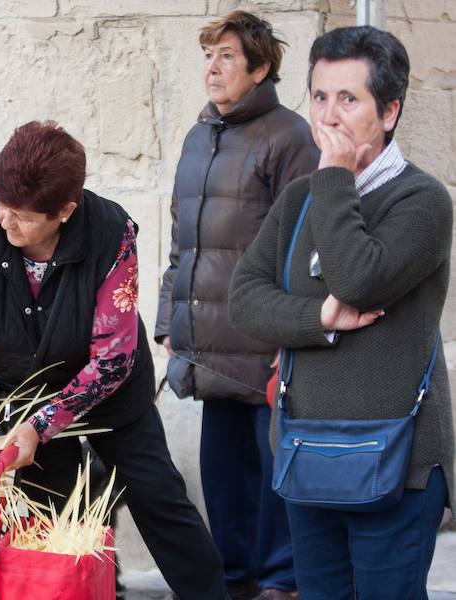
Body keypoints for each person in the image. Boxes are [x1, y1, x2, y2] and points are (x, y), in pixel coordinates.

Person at [0, 121, 228, 599]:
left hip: (108, 394)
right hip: (19, 399)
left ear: (65, 212)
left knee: (158, 496)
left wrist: (44, 424)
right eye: (1, 206)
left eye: (23, 216)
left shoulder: (111, 237)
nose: (5, 222)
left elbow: (112, 360)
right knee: (50, 522)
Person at [228, 26, 454, 599]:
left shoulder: (422, 201)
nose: (328, 116)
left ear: (391, 110)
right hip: (309, 457)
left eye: (348, 99)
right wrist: (320, 319)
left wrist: (333, 176)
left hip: (396, 465)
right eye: (320, 96)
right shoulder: (300, 199)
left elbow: (358, 277)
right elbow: (245, 300)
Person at [154, 11, 318, 600]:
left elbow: (302, 243)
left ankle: (280, 582)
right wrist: (169, 319)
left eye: (227, 56)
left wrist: (289, 332)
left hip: (263, 335)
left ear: (261, 67)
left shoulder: (290, 136)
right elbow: (181, 241)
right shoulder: (201, 136)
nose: (213, 68)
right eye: (209, 55)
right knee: (222, 471)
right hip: (209, 341)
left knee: (274, 467)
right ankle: (232, 577)